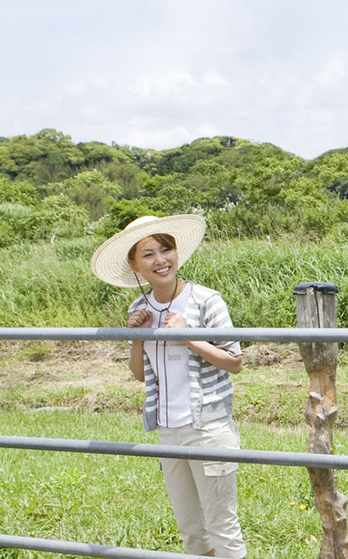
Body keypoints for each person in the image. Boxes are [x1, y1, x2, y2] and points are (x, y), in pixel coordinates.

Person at [91, 214, 247, 558]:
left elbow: (234, 361)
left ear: (177, 252)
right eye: (148, 254)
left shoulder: (206, 300)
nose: (160, 260)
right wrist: (136, 337)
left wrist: (187, 336)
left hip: (208, 427)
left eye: (166, 249)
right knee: (192, 532)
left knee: (223, 526)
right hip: (168, 430)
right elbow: (141, 375)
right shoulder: (139, 307)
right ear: (133, 263)